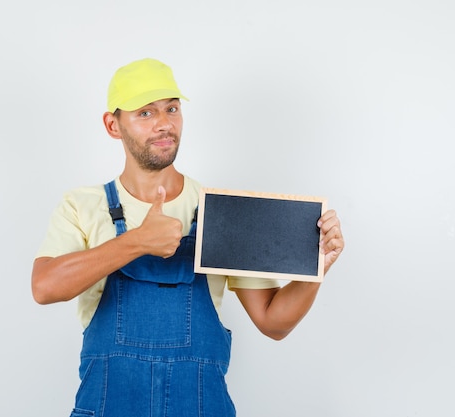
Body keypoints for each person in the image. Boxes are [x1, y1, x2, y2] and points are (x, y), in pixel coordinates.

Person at [32, 58, 344, 417]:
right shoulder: (82, 205)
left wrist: (315, 267)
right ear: (112, 125)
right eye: (145, 113)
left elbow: (273, 323)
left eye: (172, 109)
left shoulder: (223, 210)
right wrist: (137, 241)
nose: (164, 123)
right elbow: (45, 286)